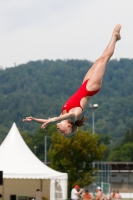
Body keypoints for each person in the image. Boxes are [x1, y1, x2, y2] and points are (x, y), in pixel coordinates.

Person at [23, 24, 122, 138]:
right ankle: (114, 36)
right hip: (91, 88)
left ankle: (116, 38)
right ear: (69, 126)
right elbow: (68, 114)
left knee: (99, 59)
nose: (60, 132)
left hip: (84, 84)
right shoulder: (74, 116)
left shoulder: (63, 115)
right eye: (64, 132)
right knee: (103, 60)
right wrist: (53, 120)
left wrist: (34, 119)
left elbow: (47, 120)